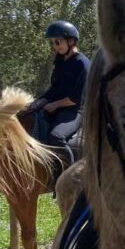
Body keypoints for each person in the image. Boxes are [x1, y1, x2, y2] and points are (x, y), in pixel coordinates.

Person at [30, 21, 90, 166]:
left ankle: (70, 177)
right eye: (53, 43)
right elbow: (55, 88)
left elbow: (75, 98)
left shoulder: (83, 64)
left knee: (57, 136)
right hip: (57, 106)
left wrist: (55, 105)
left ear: (71, 41)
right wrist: (40, 101)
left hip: (76, 110)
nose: (55, 46)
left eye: (58, 42)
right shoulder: (60, 61)